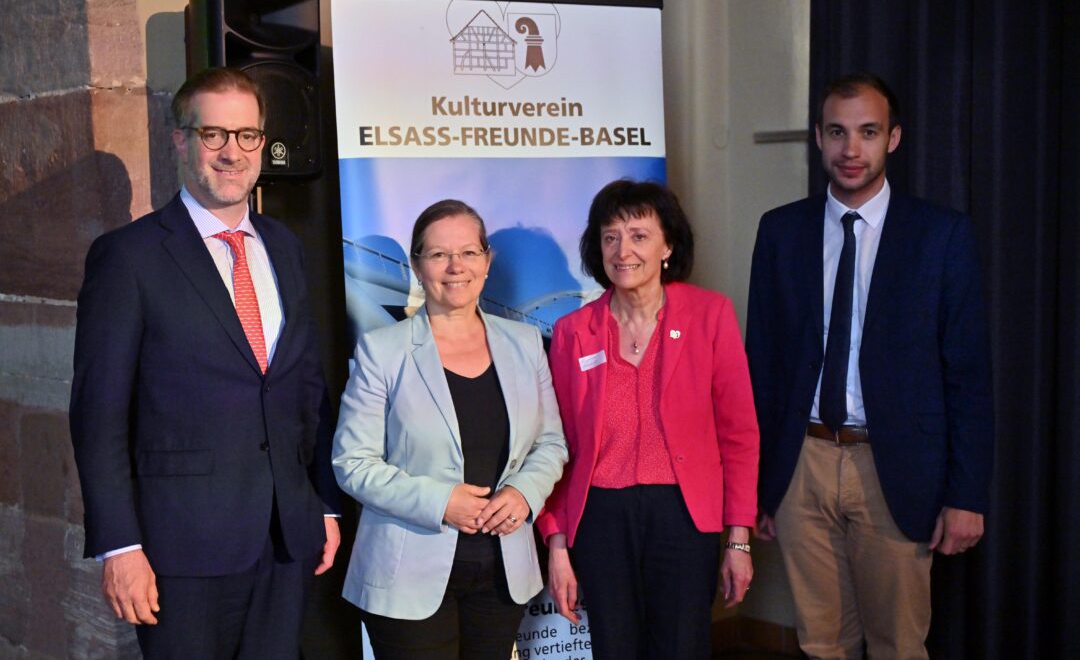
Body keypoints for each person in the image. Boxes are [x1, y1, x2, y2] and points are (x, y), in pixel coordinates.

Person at [69, 67, 341, 659]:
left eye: (247, 136)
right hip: (179, 553)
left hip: (285, 540)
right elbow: (99, 415)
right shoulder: (128, 257)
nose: (231, 151)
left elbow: (305, 389)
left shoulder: (286, 248)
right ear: (180, 139)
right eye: (213, 133)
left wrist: (320, 500)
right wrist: (120, 547)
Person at [746, 72, 994, 659]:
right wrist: (754, 484)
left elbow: (968, 375)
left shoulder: (941, 235)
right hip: (800, 462)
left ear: (894, 138)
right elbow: (763, 364)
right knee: (822, 643)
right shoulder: (780, 231)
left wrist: (968, 494)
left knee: (898, 646)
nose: (850, 149)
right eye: (837, 132)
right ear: (818, 137)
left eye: (867, 132)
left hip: (897, 466)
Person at [332, 200, 568, 659]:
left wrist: (524, 493)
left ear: (486, 261)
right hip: (407, 579)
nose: (455, 266)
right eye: (438, 254)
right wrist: (442, 503)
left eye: (469, 252)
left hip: (502, 574)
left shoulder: (524, 344)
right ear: (417, 266)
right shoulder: (383, 351)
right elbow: (352, 464)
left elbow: (551, 442)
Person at [537, 180, 760, 659]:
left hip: (683, 514)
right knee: (615, 649)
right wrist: (556, 544)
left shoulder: (709, 315)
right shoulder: (573, 332)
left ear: (668, 245)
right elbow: (555, 444)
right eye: (611, 236)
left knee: (682, 647)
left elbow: (739, 433)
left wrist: (738, 539)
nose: (623, 250)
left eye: (639, 235)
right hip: (600, 518)